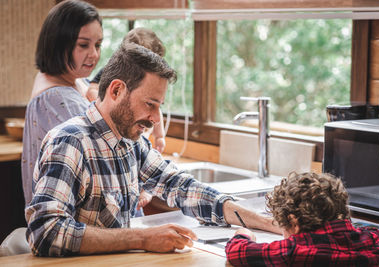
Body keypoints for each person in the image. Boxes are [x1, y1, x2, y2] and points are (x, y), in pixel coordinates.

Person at [25, 43, 281, 257]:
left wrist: (268, 222)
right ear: (116, 90)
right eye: (150, 104)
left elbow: (182, 188)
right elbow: (46, 232)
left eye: (159, 106)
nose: (156, 118)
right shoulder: (70, 142)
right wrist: (141, 238)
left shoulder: (131, 142)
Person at [21, 0, 103, 205]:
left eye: (98, 44)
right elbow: (101, 155)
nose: (94, 54)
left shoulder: (75, 80)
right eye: (83, 45)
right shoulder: (57, 98)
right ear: (59, 43)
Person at [225, 172, 379, 267]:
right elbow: (371, 234)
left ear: (294, 223)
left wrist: (243, 234)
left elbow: (237, 252)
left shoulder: (294, 251)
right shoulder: (371, 240)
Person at [88, 27, 167, 153]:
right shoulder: (111, 70)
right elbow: (92, 88)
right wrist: (104, 103)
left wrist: (159, 137)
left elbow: (157, 115)